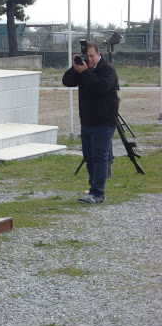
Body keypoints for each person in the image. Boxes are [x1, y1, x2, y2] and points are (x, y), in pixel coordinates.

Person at [62, 41, 119, 204]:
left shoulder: (107, 69)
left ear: (98, 54)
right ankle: (94, 188)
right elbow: (66, 81)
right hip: (87, 122)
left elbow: (101, 87)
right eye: (86, 56)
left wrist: (85, 72)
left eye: (92, 56)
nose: (89, 59)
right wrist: (75, 68)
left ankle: (97, 193)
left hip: (104, 121)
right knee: (89, 156)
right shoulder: (83, 69)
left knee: (100, 157)